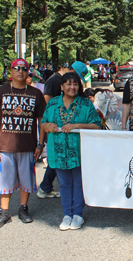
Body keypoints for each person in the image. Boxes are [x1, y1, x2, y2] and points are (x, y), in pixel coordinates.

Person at [0, 58, 46, 228]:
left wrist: (40, 144)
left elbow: (42, 120)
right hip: (5, 146)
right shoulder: (0, 92)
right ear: (11, 72)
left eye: (24, 69)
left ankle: (23, 208)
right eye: (17, 68)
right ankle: (4, 212)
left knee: (26, 179)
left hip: (28, 146)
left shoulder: (35, 94)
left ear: (29, 73)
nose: (21, 71)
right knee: (5, 180)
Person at [41, 72, 102, 230]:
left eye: (75, 84)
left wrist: (76, 125)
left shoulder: (85, 104)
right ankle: (67, 214)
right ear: (61, 86)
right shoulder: (53, 103)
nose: (72, 87)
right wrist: (48, 126)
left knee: (79, 183)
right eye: (68, 84)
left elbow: (97, 125)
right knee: (64, 184)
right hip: (59, 151)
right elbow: (43, 123)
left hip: (80, 151)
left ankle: (78, 215)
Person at [39, 61, 89, 199]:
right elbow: (47, 103)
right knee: (56, 158)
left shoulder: (58, 80)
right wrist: (49, 123)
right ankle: (45, 187)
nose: (73, 85)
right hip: (56, 127)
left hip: (65, 127)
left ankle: (46, 186)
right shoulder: (54, 81)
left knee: (61, 158)